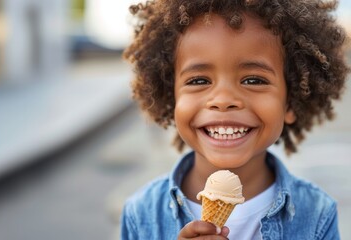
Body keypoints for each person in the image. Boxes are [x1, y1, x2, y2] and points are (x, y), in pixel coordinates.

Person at [120, 0, 349, 239]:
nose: (224, 99)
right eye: (199, 81)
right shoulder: (141, 215)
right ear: (172, 97)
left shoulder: (317, 215)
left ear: (289, 102)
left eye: (253, 80)